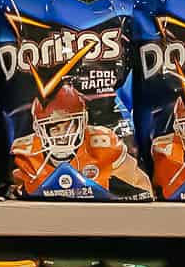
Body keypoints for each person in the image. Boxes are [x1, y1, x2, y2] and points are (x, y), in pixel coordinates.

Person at [9, 84, 150, 199]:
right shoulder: (24, 151)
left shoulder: (104, 144)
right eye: (55, 128)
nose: (63, 135)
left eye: (69, 126)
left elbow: (142, 187)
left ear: (82, 122)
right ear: (39, 129)